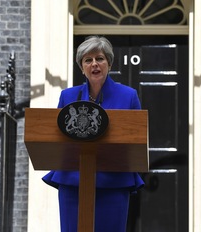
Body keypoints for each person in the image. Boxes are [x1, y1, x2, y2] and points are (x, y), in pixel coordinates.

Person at [42, 36, 144, 232]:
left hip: (114, 184)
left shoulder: (128, 95)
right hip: (73, 183)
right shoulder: (68, 96)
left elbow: (138, 139)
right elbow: (57, 138)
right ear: (82, 67)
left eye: (99, 58)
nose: (94, 64)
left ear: (109, 63)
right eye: (88, 60)